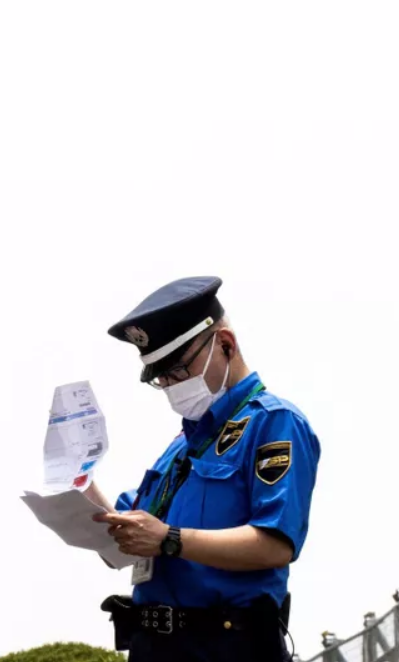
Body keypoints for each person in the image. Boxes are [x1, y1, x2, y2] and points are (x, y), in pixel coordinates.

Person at [83, 276, 320, 662]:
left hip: (226, 646)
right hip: (154, 646)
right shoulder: (181, 445)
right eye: (159, 378)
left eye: (177, 370)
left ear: (225, 345)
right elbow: (128, 540)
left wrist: (170, 540)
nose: (169, 385)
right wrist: (80, 483)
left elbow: (276, 545)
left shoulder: (274, 423)